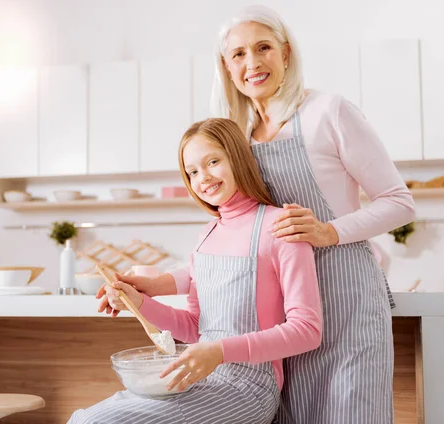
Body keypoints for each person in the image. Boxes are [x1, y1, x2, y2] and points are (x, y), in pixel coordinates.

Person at [100, 5, 415, 424]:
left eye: (263, 47)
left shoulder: (330, 112)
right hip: (277, 321)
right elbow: (241, 243)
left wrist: (327, 232)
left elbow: (399, 201)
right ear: (227, 68)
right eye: (238, 54)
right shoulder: (241, 136)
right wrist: (156, 284)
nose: (252, 63)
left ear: (286, 53)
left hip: (344, 304)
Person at [70, 118, 322, 424]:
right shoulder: (207, 236)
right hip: (196, 376)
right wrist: (139, 303)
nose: (203, 177)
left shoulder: (280, 226)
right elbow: (193, 328)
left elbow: (307, 331)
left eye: (213, 161)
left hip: (247, 389)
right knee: (84, 418)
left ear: (238, 158)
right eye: (192, 171)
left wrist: (218, 352)